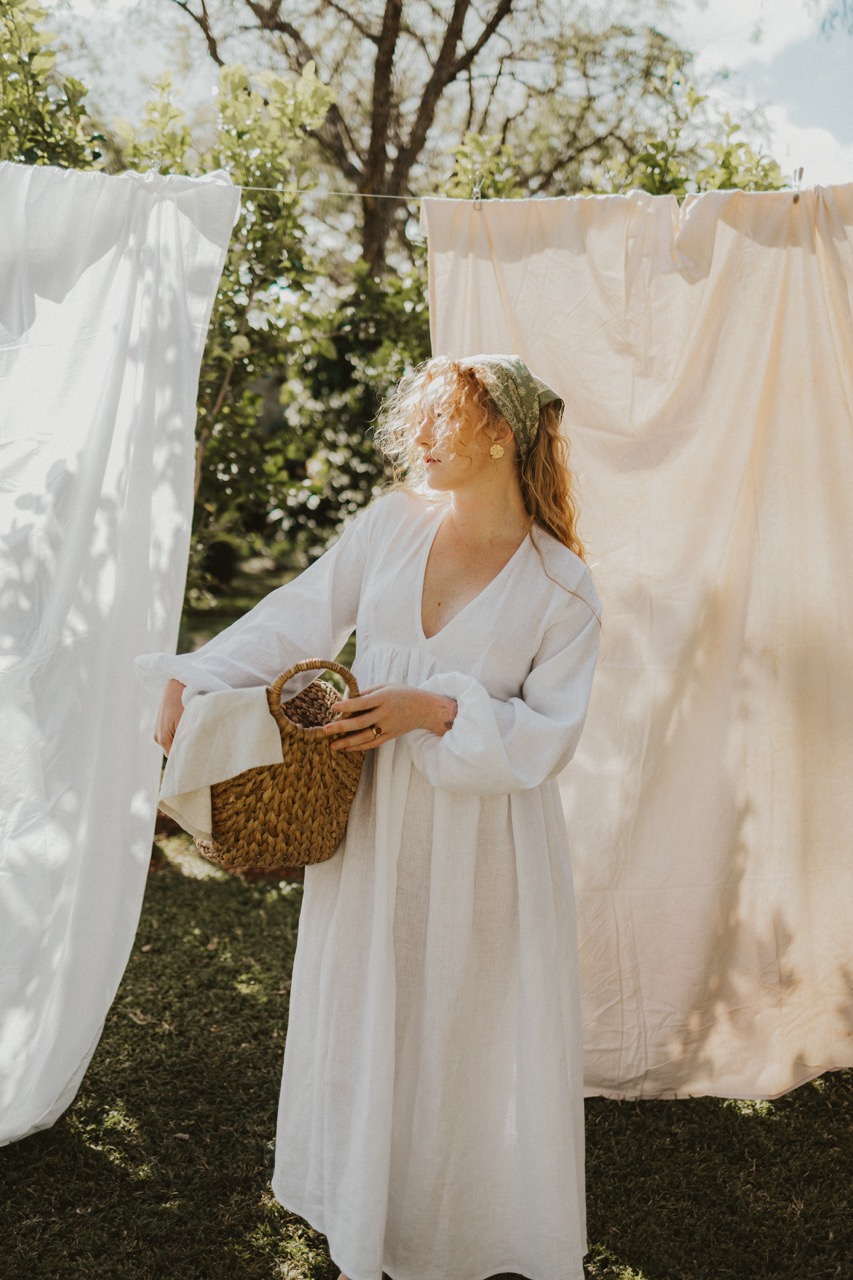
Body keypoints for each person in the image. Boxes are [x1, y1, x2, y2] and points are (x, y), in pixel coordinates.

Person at [141, 354, 602, 1280]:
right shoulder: (391, 526)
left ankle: (465, 1220)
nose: (418, 437)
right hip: (375, 823)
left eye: (443, 419)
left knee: (464, 1018)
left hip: (484, 847)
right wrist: (192, 679)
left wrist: (433, 709)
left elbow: (549, 736)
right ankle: (362, 1202)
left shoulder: (562, 589)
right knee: (370, 998)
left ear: (502, 434)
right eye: (418, 419)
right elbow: (296, 616)